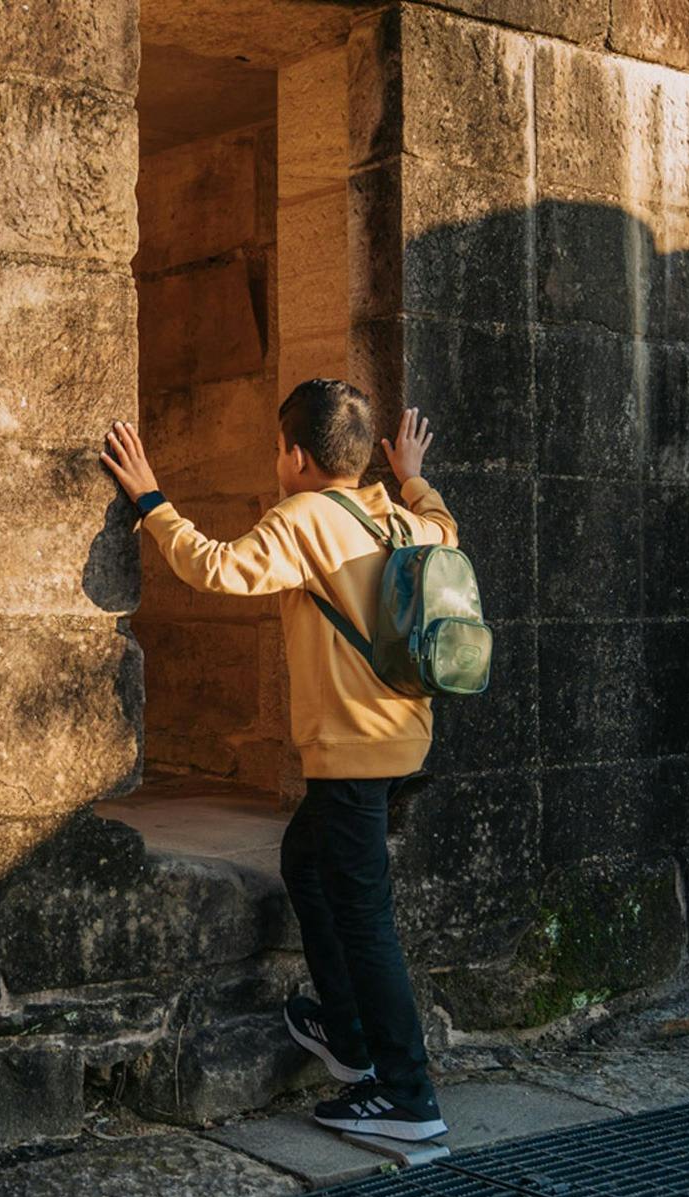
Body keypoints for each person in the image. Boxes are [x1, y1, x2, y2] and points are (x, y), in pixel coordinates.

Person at [100, 378, 456, 1142]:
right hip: (401, 736)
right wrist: (414, 472)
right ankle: (347, 1037)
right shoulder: (395, 516)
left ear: (294, 457)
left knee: (368, 919)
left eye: (275, 449)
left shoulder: (304, 518)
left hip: (354, 751)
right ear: (363, 458)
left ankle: (406, 1096)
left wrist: (150, 500)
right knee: (305, 856)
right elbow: (443, 524)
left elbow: (217, 568)